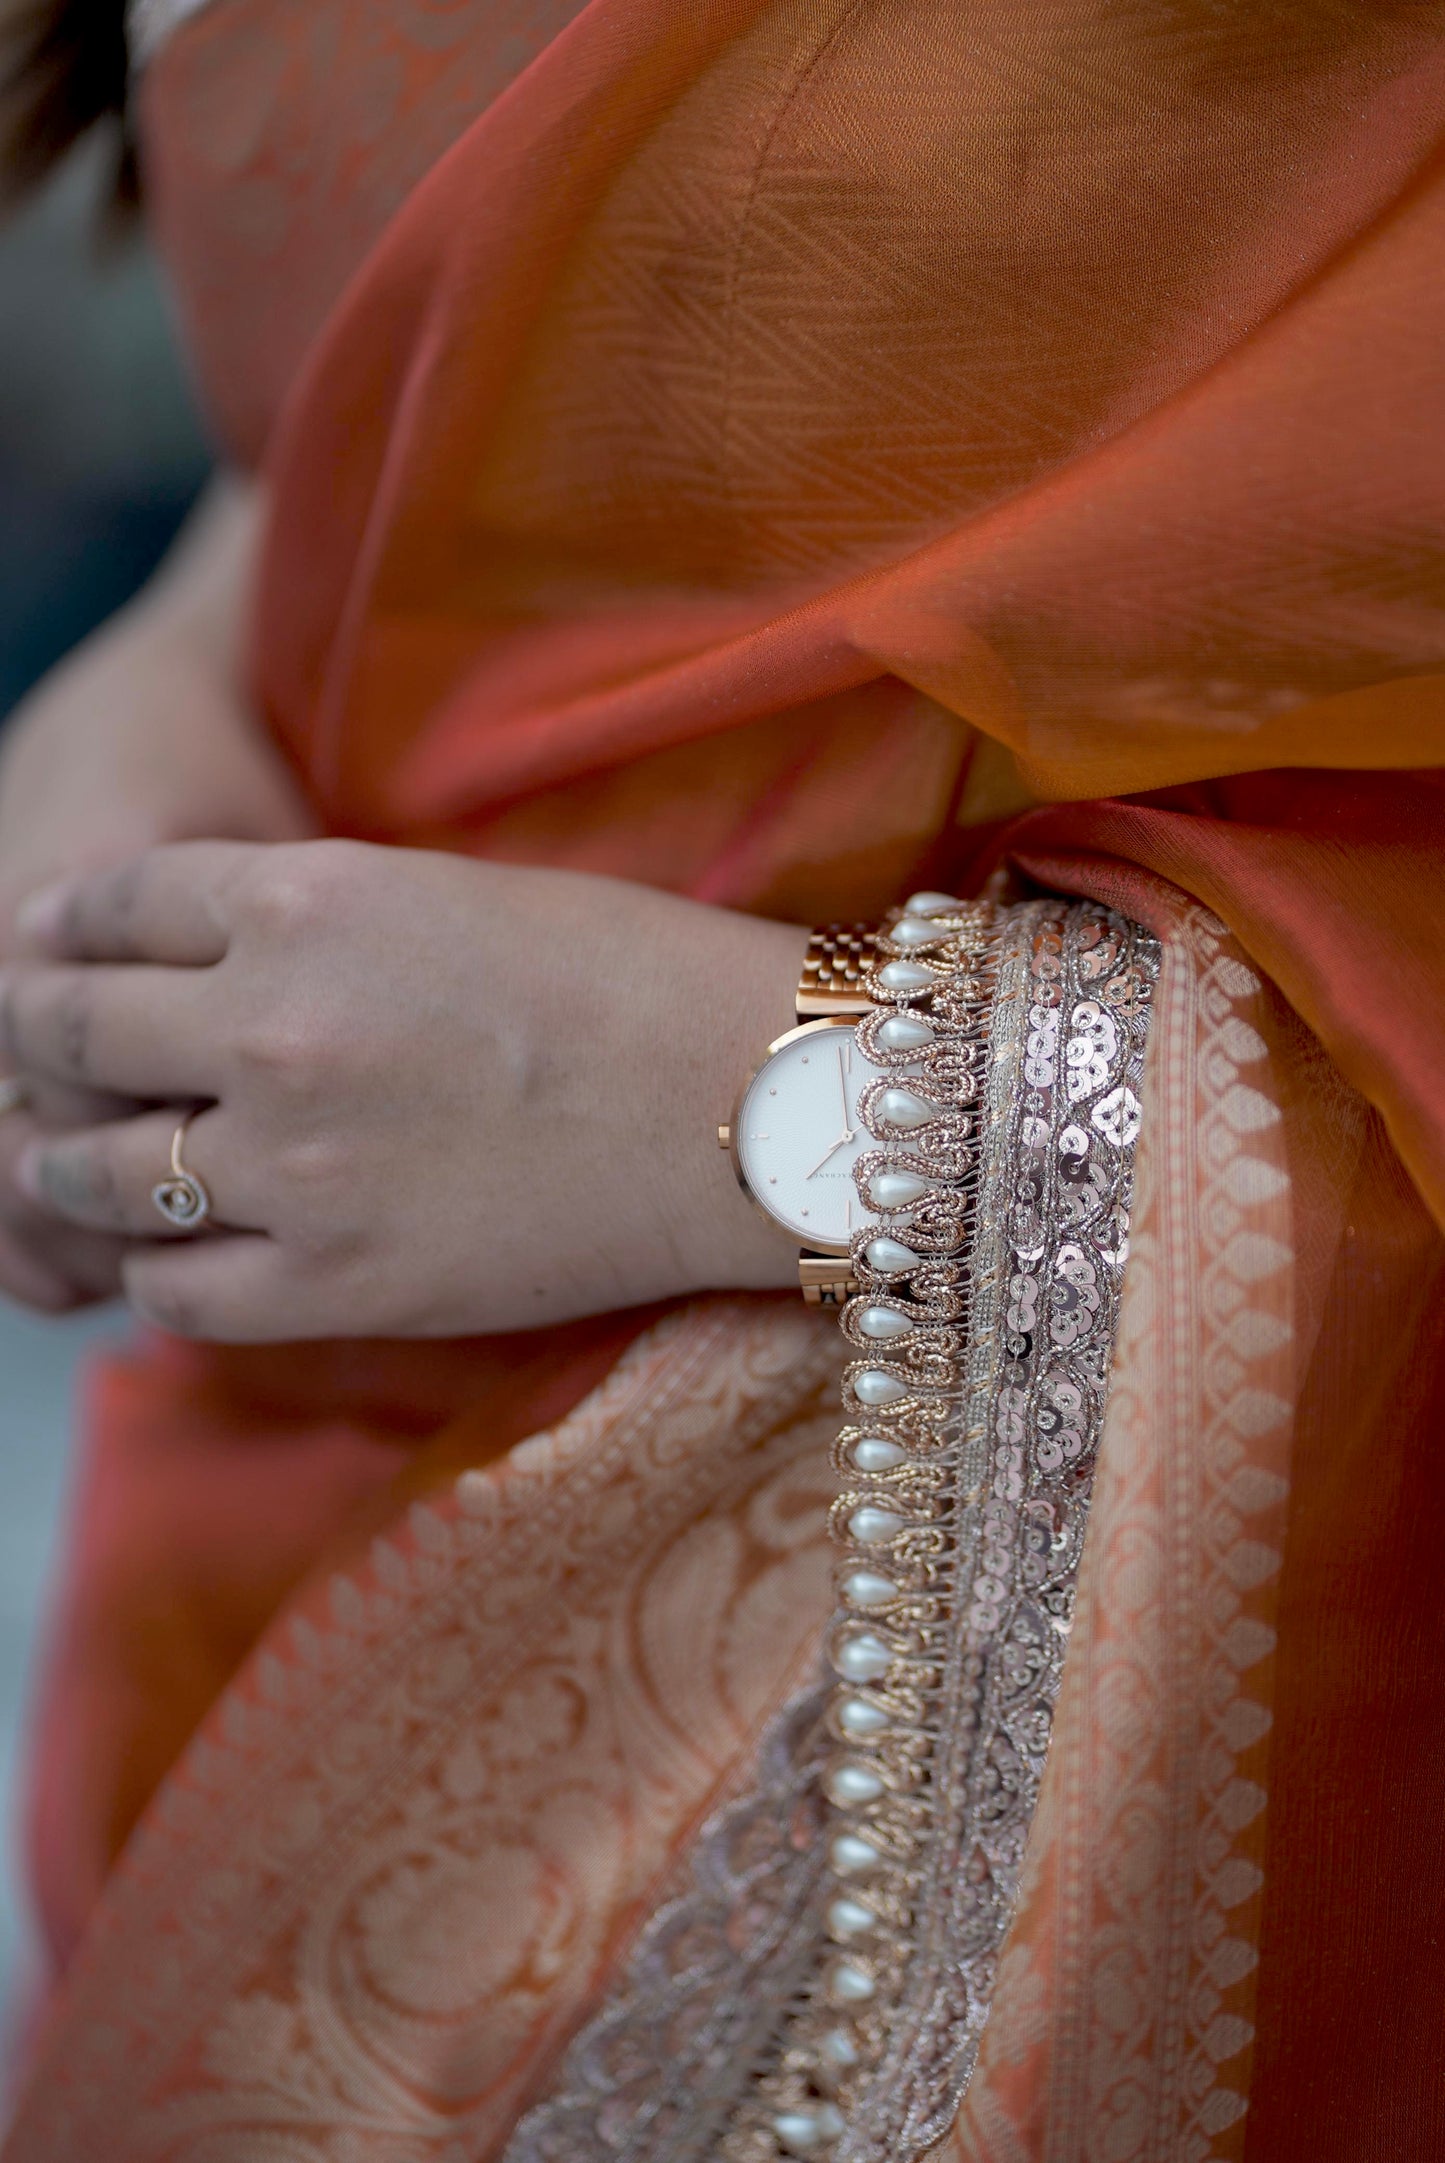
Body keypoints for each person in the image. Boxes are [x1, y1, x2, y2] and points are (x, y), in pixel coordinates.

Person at [0, 2, 1443, 2157]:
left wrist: (786, 1101)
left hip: (938, 1691)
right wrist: (182, 660)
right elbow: (428, 342)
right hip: (269, 1537)